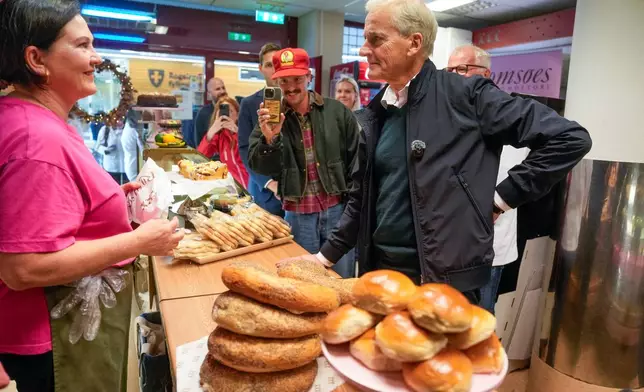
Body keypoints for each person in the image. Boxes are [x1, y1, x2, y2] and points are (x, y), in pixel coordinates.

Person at [301, 0, 591, 301]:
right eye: (364, 39)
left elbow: (569, 139)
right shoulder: (378, 112)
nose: (363, 49)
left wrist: (499, 200)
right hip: (383, 278)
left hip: (447, 288)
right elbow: (362, 201)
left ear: (414, 42)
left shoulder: (468, 96)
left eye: (376, 39)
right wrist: (324, 258)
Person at [0, 1, 184, 391]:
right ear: (36, 58)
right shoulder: (38, 137)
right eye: (82, 46)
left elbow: (38, 206)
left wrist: (108, 199)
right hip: (56, 340)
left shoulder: (34, 119)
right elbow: (23, 267)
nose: (96, 58)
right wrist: (138, 241)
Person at [249, 48, 360, 279]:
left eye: (297, 79)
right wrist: (270, 138)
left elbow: (358, 162)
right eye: (284, 81)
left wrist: (353, 207)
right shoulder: (270, 118)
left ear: (309, 77)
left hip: (337, 212)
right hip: (298, 217)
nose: (291, 87)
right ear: (276, 82)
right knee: (302, 284)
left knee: (342, 282)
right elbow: (259, 167)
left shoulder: (336, 112)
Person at [447, 45, 530, 313]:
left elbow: (505, 177)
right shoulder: (453, 113)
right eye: (448, 71)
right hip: (452, 245)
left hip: (488, 245)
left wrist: (495, 204)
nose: (454, 77)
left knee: (479, 317)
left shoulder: (505, 114)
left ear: (486, 74)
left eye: (461, 69)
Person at [238, 43, 285, 217]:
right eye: (269, 65)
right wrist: (269, 183)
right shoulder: (249, 104)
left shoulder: (298, 100)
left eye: (278, 64)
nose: (274, 70)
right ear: (261, 69)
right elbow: (244, 149)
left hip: (299, 193)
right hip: (264, 191)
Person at [197, 96, 249, 189]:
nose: (226, 115)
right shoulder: (219, 137)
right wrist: (212, 131)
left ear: (237, 115)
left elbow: (253, 153)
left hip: (251, 186)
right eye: (222, 112)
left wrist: (238, 132)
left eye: (231, 111)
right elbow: (200, 158)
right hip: (233, 188)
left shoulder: (246, 131)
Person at [193, 77, 227, 148]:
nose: (222, 91)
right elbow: (199, 143)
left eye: (223, 88)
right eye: (218, 89)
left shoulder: (234, 110)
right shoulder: (203, 114)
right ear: (209, 94)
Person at [95, 119, 126, 184]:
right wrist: (106, 150)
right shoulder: (105, 130)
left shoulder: (126, 130)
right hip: (111, 167)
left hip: (125, 168)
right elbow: (97, 147)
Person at [121, 109, 144, 182]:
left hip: (130, 166)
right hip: (135, 168)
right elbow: (145, 152)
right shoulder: (134, 130)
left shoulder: (127, 127)